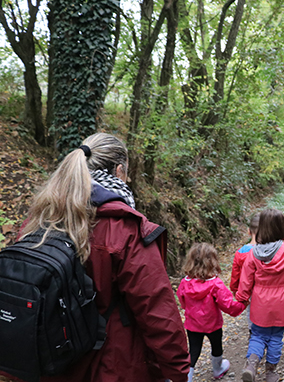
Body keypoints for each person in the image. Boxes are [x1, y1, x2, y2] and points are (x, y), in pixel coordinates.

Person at [21, 133, 189, 382]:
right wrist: (179, 370)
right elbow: (156, 311)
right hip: (111, 366)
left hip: (51, 363)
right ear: (119, 171)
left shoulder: (37, 221)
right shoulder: (123, 229)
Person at [235, 209, 284, 382]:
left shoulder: (253, 253)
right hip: (282, 302)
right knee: (276, 336)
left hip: (260, 302)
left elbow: (245, 281)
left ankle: (251, 364)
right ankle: (271, 371)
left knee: (258, 334)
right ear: (282, 228)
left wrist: (242, 298)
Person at [177, 243, 247, 381]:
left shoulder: (184, 283)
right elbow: (228, 305)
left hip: (193, 324)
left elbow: (182, 301)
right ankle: (217, 369)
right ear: (212, 261)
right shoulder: (215, 284)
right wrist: (242, 305)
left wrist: (190, 310)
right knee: (216, 346)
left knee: (194, 350)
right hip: (213, 324)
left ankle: (187, 378)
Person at [230, 213, 261, 296]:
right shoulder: (270, 250)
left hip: (248, 291)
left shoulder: (240, 252)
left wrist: (235, 289)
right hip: (265, 290)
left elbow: (235, 274)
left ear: (249, 231)